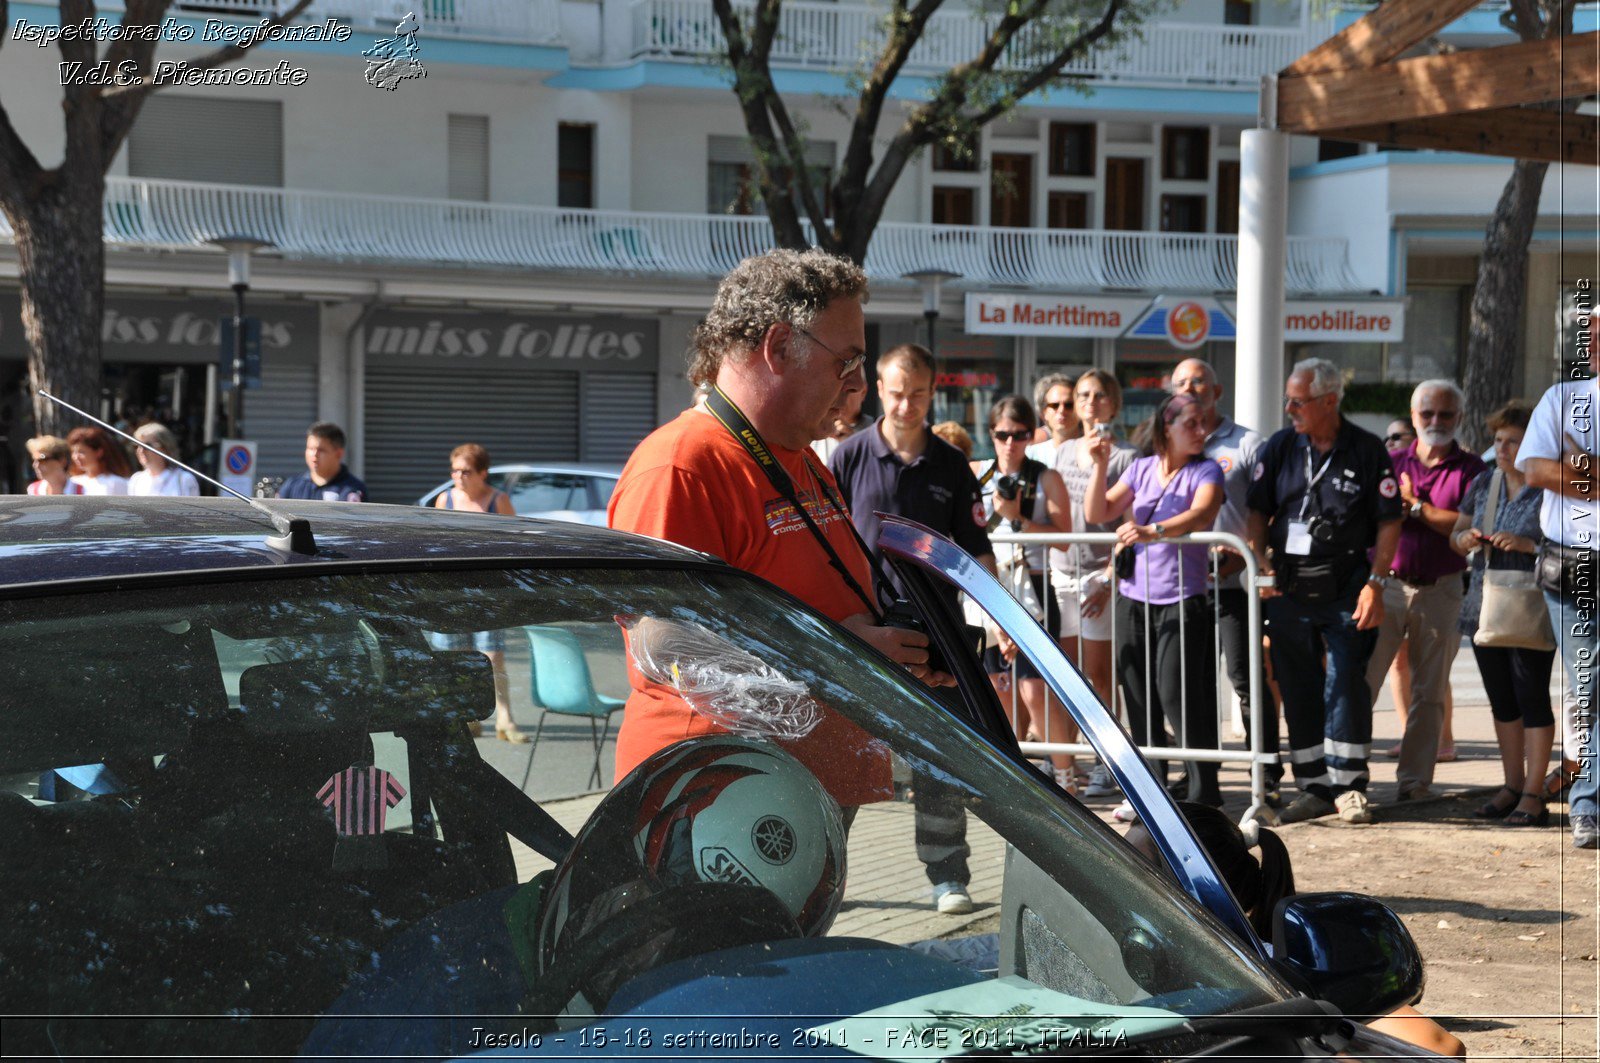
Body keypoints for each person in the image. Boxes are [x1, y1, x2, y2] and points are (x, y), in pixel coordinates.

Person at [607, 248, 922, 825]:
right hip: (710, 805)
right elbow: (662, 647)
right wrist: (838, 659)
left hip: (785, 799)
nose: (856, 384)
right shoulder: (680, 464)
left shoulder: (800, 456)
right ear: (778, 348)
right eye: (846, 362)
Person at [830, 342, 994, 916]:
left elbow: (978, 559)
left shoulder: (952, 466)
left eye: (918, 394)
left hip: (936, 637)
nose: (906, 405)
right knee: (844, 755)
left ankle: (947, 874)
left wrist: (1000, 625)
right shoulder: (847, 457)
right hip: (862, 632)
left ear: (932, 392)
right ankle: (823, 877)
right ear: (878, 387)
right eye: (897, 393)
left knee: (936, 761)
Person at [1122, 805, 1466, 1058]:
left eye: (1135, 872)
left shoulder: (1271, 973)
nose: (1114, 882)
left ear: (1196, 895)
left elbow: (1438, 1046)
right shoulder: (1116, 951)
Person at [1247, 358, 1401, 826]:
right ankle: (1312, 786)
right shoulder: (1280, 447)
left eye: (1298, 401)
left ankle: (1350, 787)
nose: (1290, 408)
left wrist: (1376, 583)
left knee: (1346, 684)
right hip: (1290, 588)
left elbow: (1390, 521)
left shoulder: (1367, 449)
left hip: (1348, 586)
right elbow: (1256, 511)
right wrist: (1261, 561)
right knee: (1297, 684)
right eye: (1288, 400)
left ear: (1329, 401)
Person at [1085, 392, 1225, 810]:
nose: (1202, 431)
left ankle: (1204, 794)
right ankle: (1152, 792)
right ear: (1168, 428)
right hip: (1134, 597)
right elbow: (1098, 511)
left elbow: (1202, 514)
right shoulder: (1143, 467)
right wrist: (1098, 465)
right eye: (1192, 424)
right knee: (1138, 694)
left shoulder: (1208, 469)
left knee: (1177, 693)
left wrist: (1153, 530)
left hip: (1183, 597)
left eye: (1205, 424)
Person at [1362, 381, 1485, 803]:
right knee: (1363, 684)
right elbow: (1370, 518)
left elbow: (1467, 525)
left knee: (1429, 694)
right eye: (1427, 414)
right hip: (1388, 585)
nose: (1436, 422)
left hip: (1443, 589)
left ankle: (1414, 783)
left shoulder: (1472, 470)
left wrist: (1415, 509)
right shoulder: (1388, 460)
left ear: (1459, 419)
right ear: (1413, 418)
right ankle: (1349, 779)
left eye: (1445, 415)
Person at [1169, 358, 1281, 802]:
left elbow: (1262, 509)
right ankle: (1200, 776)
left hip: (1235, 580)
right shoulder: (1173, 441)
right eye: (1181, 383)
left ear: (1217, 391)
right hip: (1184, 584)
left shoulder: (1249, 443)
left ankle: (1266, 774)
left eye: (1199, 381)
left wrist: (1253, 555)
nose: (1191, 388)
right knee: (1189, 681)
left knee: (1245, 676)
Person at [1448, 402, 1553, 826]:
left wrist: (1529, 546)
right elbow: (1456, 535)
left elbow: (1577, 540)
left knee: (1532, 698)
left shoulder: (1548, 486)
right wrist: (1467, 539)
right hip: (1483, 606)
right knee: (1501, 700)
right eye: (1498, 440)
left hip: (1531, 604)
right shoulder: (1483, 481)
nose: (1504, 448)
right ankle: (1510, 786)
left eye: (1513, 440)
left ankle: (1533, 792)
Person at [1518, 342, 1600, 850]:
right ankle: (1588, 803)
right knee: (1590, 682)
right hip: (1571, 569)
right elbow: (1535, 471)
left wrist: (1579, 465)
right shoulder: (1563, 397)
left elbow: (1557, 471)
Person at [971, 395, 1076, 791]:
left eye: (1018, 435)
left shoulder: (1045, 477)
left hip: (1033, 586)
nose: (1010, 443)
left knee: (1037, 689)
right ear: (992, 434)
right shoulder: (976, 474)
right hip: (989, 588)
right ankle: (1010, 778)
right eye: (1002, 435)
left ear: (1030, 436)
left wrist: (1020, 520)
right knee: (999, 689)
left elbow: (1065, 541)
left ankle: (1065, 776)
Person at [1049, 370, 1136, 720]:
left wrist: (1109, 578)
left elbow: (1131, 525)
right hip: (1061, 574)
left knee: (1099, 675)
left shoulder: (1127, 457)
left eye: (1099, 395)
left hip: (1100, 575)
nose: (1090, 402)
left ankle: (1108, 766)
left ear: (1113, 405)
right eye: (1083, 395)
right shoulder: (1065, 449)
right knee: (1067, 675)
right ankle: (1072, 765)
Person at [428, 443, 523, 742]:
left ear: (483, 473)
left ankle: (504, 717)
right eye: (454, 470)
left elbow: (514, 545)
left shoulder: (498, 501)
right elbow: (436, 543)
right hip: (453, 591)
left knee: (492, 655)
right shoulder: (446, 499)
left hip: (488, 591)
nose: (459, 477)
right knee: (455, 655)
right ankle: (466, 714)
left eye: (466, 471)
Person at [279, 422, 367, 502]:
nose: (314, 454)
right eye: (310, 448)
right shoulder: (292, 486)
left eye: (321, 450)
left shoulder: (352, 489)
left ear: (338, 454)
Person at [128, 423, 201, 496]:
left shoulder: (184, 479)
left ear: (165, 448)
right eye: (137, 446)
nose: (141, 451)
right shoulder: (136, 480)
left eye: (147, 445)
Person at [1026, 372, 1078, 462]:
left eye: (1069, 405)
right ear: (1043, 413)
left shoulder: (1093, 451)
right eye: (1054, 405)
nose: (1062, 410)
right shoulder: (1030, 456)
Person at [810, 385, 869, 464]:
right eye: (835, 387)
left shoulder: (880, 431)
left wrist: (854, 446)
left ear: (863, 392)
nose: (839, 397)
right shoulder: (810, 433)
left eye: (848, 389)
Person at [66, 426, 133, 495]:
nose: (76, 457)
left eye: (82, 452)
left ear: (99, 452)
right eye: (73, 452)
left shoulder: (115, 483)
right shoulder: (73, 481)